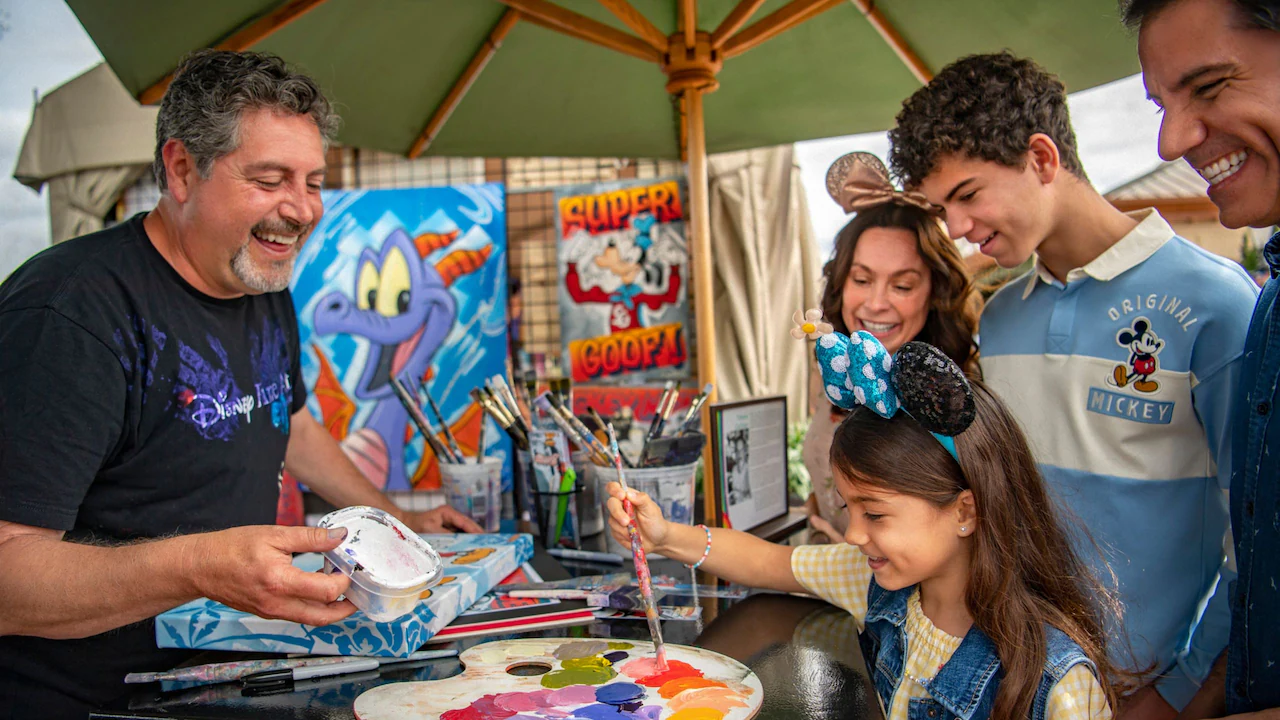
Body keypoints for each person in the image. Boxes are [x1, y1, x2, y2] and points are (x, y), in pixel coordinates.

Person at [0, 50, 481, 718]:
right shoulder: (70, 312)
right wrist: (200, 567)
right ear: (180, 170)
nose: (303, 209)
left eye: (313, 182)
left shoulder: (259, 280)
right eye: (270, 179)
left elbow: (291, 422)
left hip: (222, 678)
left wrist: (392, 519)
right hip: (87, 703)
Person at [886, 51, 1259, 718]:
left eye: (968, 195)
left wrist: (1184, 692)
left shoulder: (1215, 304)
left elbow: (1256, 538)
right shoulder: (1001, 318)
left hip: (1144, 690)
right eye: (942, 209)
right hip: (1011, 675)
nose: (957, 229)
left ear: (1042, 158)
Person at [609, 329, 1121, 720]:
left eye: (874, 513)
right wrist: (664, 536)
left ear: (965, 512)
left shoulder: (1060, 684)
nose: (853, 534)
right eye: (848, 508)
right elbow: (768, 561)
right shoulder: (874, 578)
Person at [1120, 0, 1280, 716]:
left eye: (1210, 85)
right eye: (1162, 105)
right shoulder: (1270, 303)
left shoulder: (1221, 298)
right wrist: (1194, 701)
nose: (1171, 141)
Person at [802, 152, 981, 543]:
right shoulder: (835, 373)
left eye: (902, 285)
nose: (876, 303)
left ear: (936, 292)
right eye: (861, 279)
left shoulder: (950, 402)